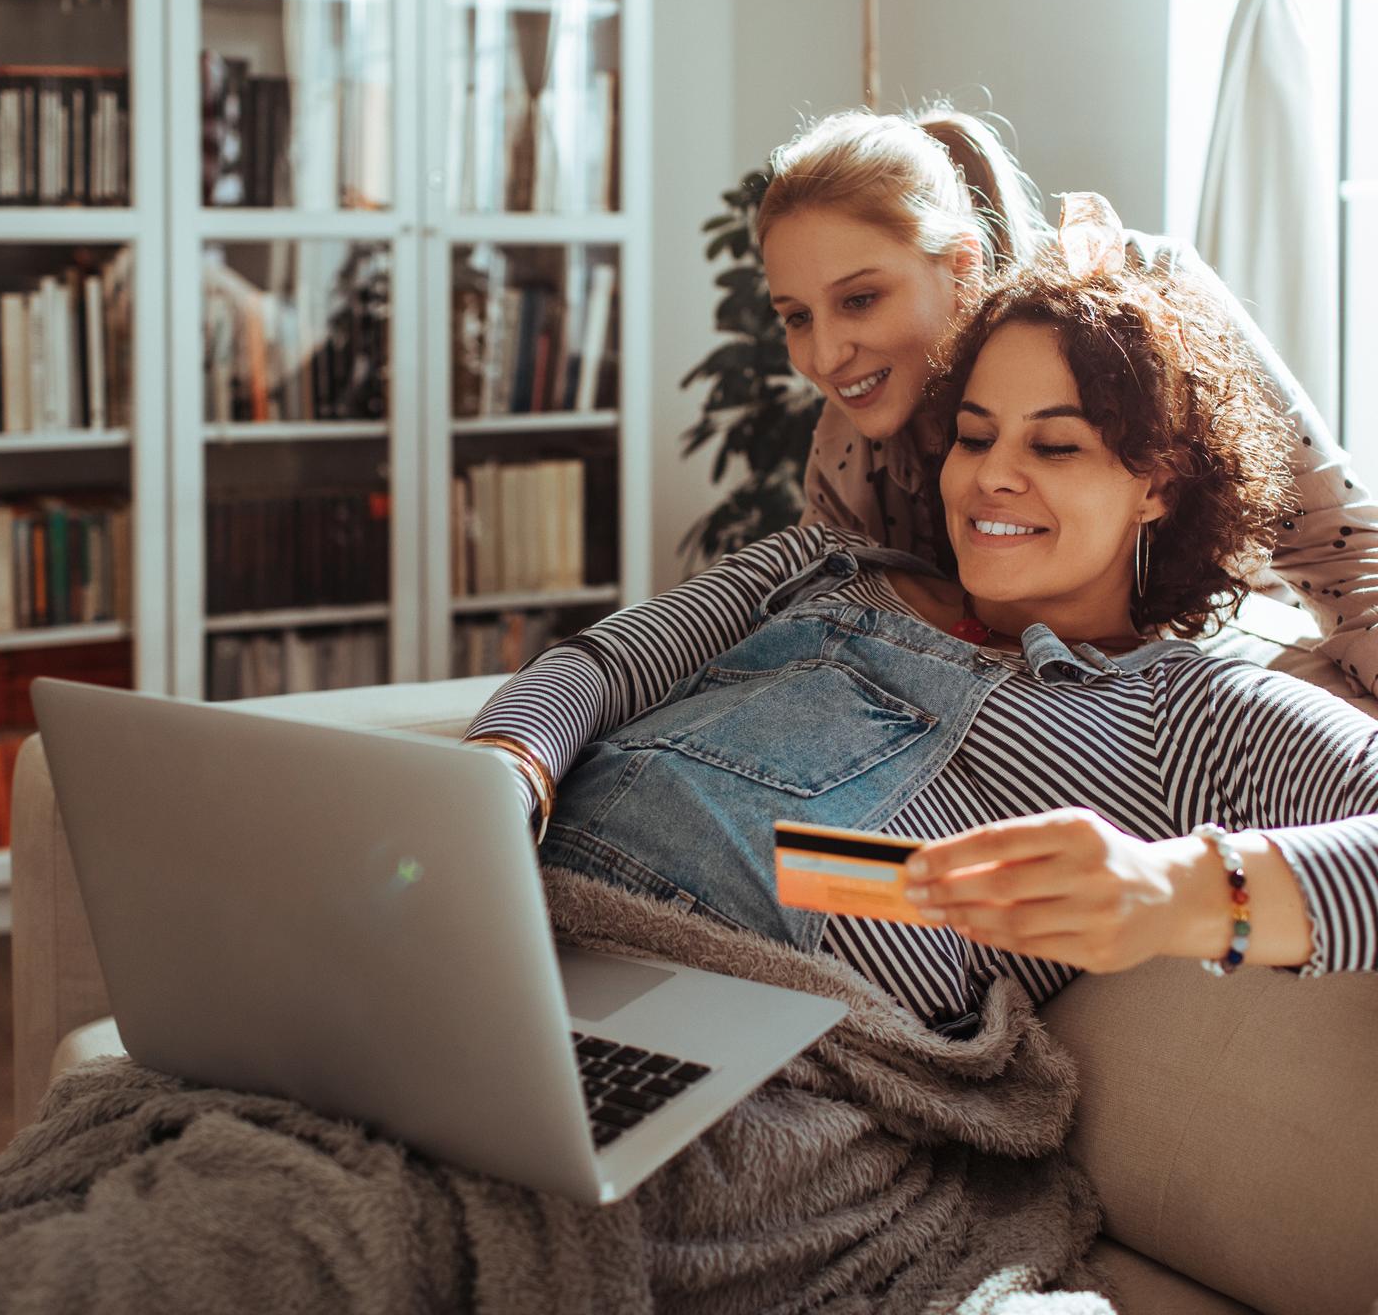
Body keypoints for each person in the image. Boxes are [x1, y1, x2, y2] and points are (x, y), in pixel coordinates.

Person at [465, 222, 1377, 1036]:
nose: (992, 479)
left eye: (1055, 447)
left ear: (1159, 485)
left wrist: (1178, 892)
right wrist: (504, 769)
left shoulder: (1199, 712)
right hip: (504, 955)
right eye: (975, 438)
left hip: (758, 1068)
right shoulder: (817, 566)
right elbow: (601, 664)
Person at [755, 106, 1378, 699]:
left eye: (860, 299)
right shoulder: (851, 443)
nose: (828, 355)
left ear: (962, 268)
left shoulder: (1149, 306)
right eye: (797, 316)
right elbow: (820, 626)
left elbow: (1343, 550)